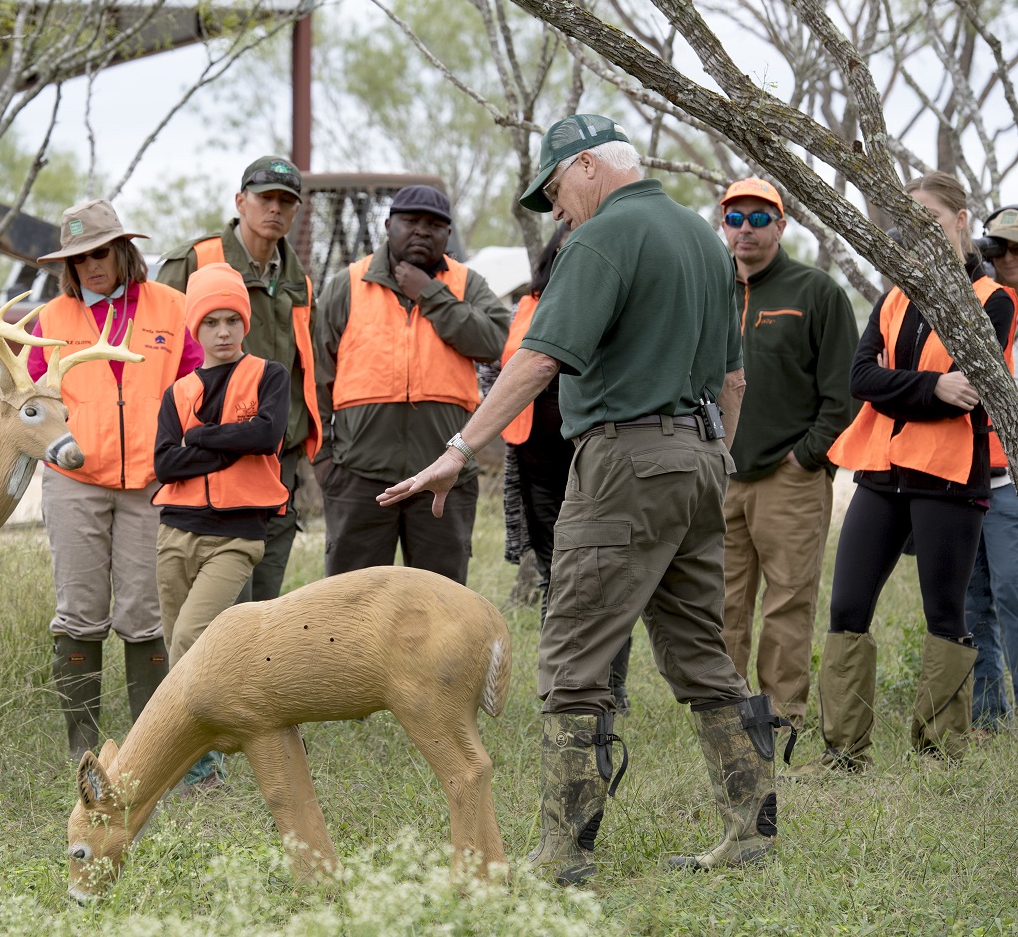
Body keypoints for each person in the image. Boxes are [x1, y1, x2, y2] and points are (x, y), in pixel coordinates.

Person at [380, 115, 789, 884]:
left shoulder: (602, 239)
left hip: (626, 461)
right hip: (702, 458)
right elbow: (733, 379)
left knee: (572, 658)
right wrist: (711, 459)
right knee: (701, 649)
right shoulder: (707, 242)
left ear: (591, 167)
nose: (556, 208)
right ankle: (751, 834)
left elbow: (537, 360)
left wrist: (459, 449)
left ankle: (563, 857)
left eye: (557, 189)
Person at [816, 172, 1016, 769]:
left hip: (952, 475)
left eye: (932, 217)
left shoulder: (995, 300)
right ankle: (844, 752)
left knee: (945, 613)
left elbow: (976, 391)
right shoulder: (896, 294)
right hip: (881, 471)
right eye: (912, 220)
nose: (920, 229)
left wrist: (897, 385)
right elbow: (861, 380)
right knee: (848, 606)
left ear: (961, 218)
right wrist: (932, 387)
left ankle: (939, 751)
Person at [30, 199, 201, 760]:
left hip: (150, 482)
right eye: (79, 258)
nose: (91, 265)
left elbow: (197, 387)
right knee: (79, 609)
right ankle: (83, 751)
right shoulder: (50, 319)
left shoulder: (172, 308)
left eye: (100, 251)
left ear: (123, 250)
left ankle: (147, 750)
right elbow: (31, 400)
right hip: (73, 479)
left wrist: (180, 455)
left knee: (144, 612)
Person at [314, 184, 508, 584]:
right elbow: (317, 380)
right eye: (411, 221)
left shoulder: (468, 285)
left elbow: (495, 343)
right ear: (388, 225)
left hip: (445, 476)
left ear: (448, 234)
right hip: (358, 478)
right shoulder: (346, 285)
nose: (422, 231)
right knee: (351, 605)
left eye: (435, 224)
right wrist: (324, 463)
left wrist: (431, 295)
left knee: (441, 608)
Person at [719, 178, 860, 731]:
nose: (747, 229)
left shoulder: (816, 291)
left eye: (760, 218)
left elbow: (844, 390)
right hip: (720, 474)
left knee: (786, 602)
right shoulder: (711, 289)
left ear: (782, 224)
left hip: (789, 476)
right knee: (722, 603)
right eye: (736, 218)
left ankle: (781, 718)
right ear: (722, 223)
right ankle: (725, 714)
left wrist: (807, 457)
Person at [156, 157, 319, 603]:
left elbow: (309, 368)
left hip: (276, 460)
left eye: (287, 202)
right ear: (240, 201)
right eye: (266, 198)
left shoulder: (298, 281)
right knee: (217, 610)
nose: (275, 210)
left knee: (264, 606)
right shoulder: (193, 261)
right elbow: (158, 356)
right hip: (207, 460)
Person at [152, 265, 290, 790]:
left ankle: (197, 761)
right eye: (212, 321)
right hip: (175, 531)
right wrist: (227, 445)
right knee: (175, 644)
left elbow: (267, 435)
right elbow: (165, 465)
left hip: (237, 535)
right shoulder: (177, 392)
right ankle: (205, 752)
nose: (224, 331)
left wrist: (201, 438)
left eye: (233, 319)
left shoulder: (268, 375)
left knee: (193, 636)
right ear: (196, 328)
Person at [499, 226, 633, 709]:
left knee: (602, 569)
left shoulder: (615, 303)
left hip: (596, 457)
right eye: (563, 252)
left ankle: (609, 684)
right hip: (535, 460)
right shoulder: (528, 304)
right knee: (553, 571)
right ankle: (558, 681)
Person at [966, 204, 1018, 730]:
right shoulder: (977, 302)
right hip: (969, 468)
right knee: (970, 598)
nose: (1010, 258)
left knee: (1013, 590)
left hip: (1013, 478)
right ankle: (987, 717)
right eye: (1001, 247)